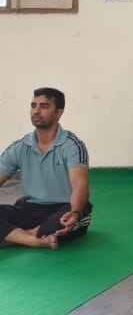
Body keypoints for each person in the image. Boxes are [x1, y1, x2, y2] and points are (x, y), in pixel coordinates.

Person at [0, 88, 92, 249]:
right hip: (29, 209)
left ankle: (15, 236)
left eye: (44, 106)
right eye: (33, 105)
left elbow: (80, 185)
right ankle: (33, 240)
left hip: (63, 207)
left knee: (68, 220)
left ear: (58, 113)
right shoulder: (20, 147)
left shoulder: (72, 145)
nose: (36, 111)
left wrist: (75, 212)